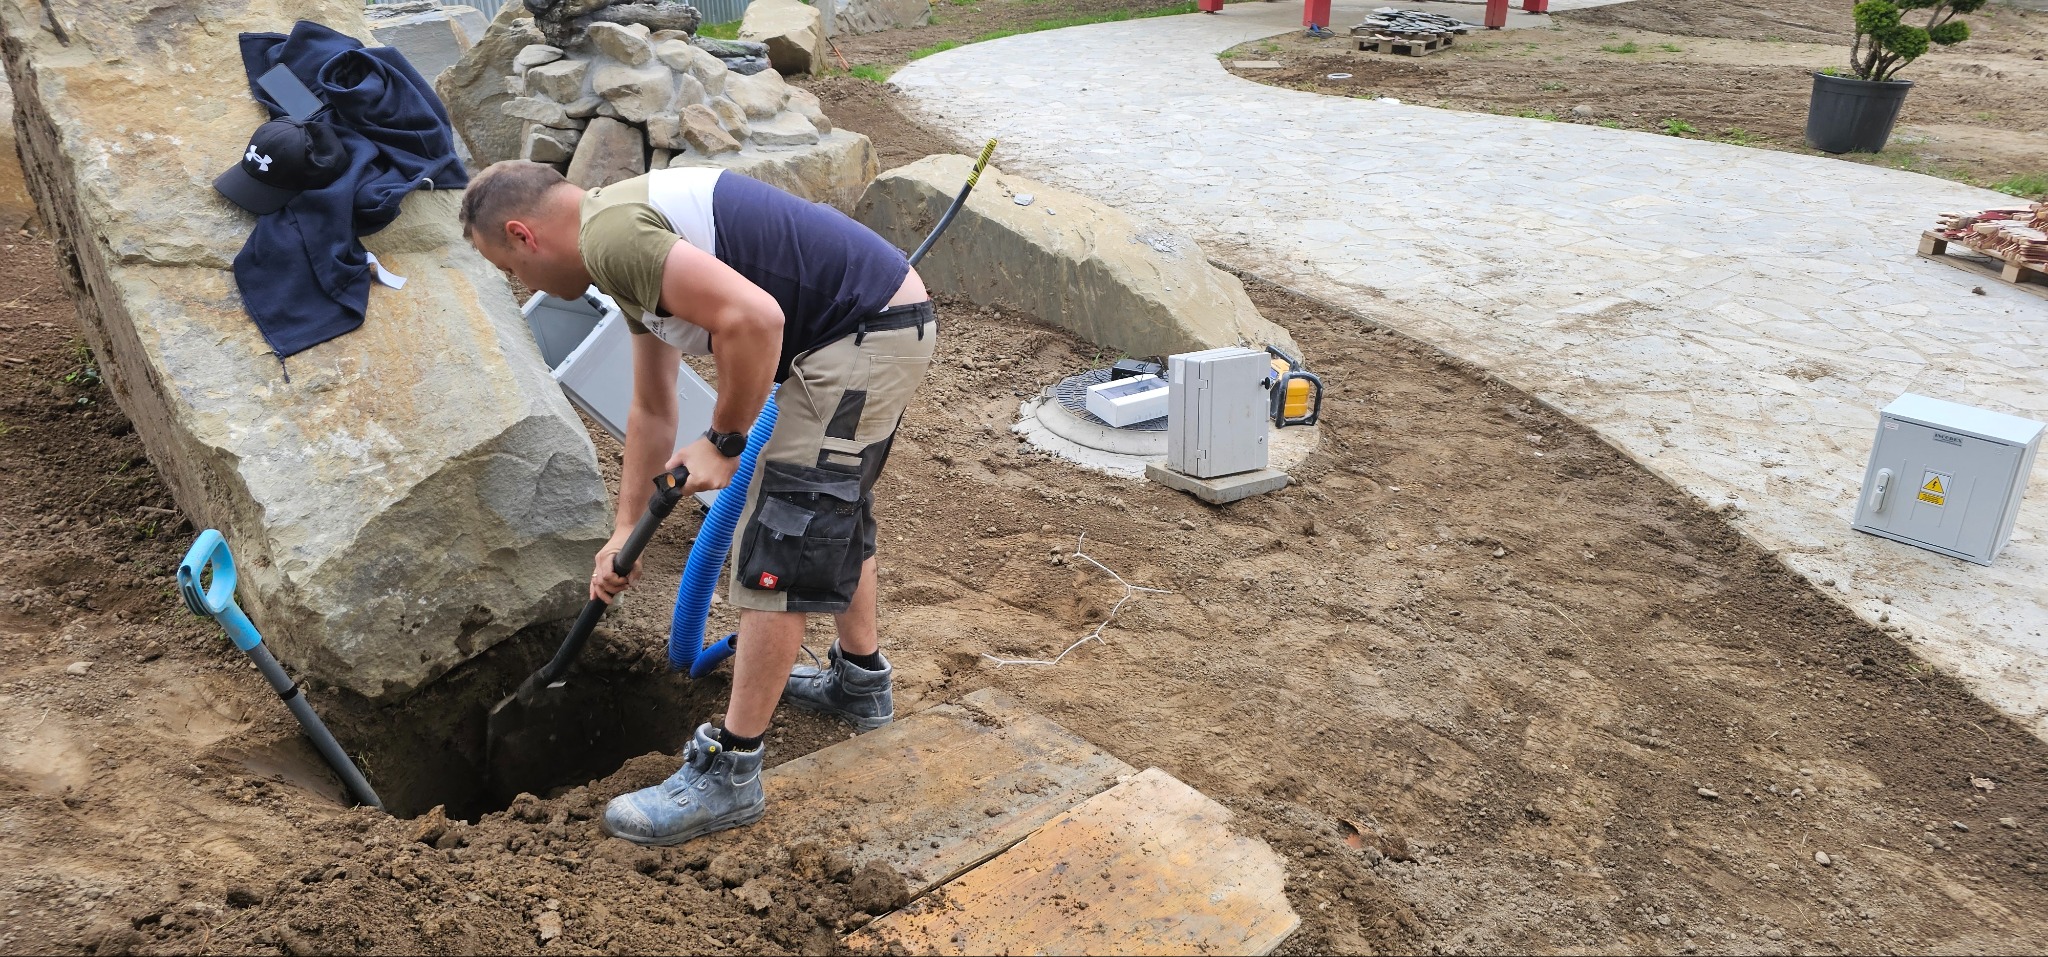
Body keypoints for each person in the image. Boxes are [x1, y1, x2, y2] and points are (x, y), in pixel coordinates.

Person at [459, 161, 936, 846]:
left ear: (522, 234)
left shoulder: (613, 236)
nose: (520, 284)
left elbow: (756, 319)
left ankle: (731, 771)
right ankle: (860, 681)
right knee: (827, 512)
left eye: (507, 268)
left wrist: (725, 440)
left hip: (864, 333)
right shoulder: (616, 242)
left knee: (780, 539)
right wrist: (624, 531)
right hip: (867, 327)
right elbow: (652, 408)